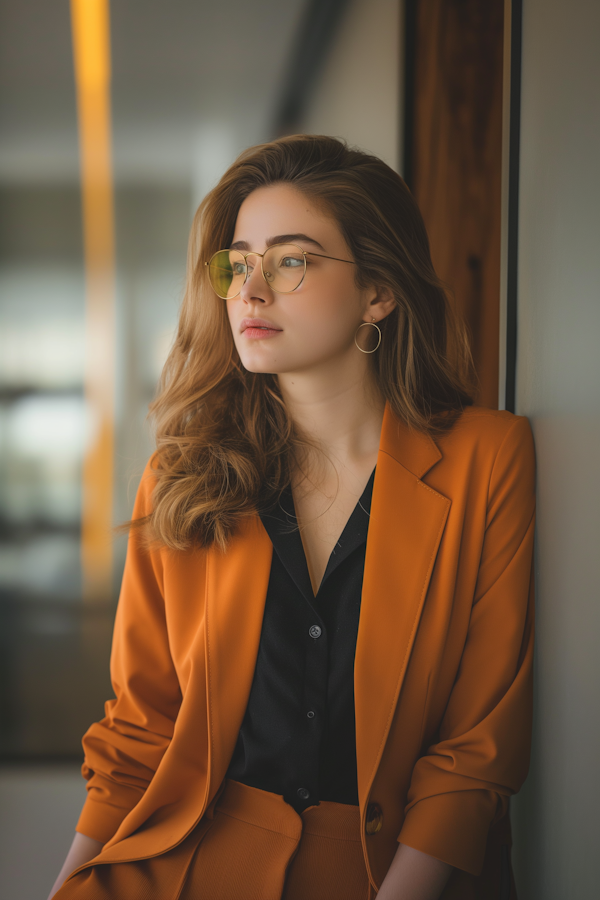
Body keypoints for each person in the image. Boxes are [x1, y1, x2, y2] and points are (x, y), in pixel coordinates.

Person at [49, 135, 535, 900]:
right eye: (239, 264)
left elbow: (475, 749)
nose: (250, 290)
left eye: (290, 261)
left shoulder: (489, 458)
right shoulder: (182, 478)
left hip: (387, 870)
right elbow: (141, 726)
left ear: (378, 291)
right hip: (187, 860)